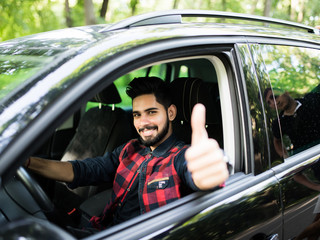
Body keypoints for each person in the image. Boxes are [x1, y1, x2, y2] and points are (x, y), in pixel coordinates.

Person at [26, 77, 229, 231]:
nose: (142, 123)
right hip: (107, 229)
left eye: (151, 112)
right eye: (137, 115)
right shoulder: (130, 149)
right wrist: (27, 163)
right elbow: (84, 170)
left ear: (171, 113)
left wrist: (206, 174)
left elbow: (196, 172)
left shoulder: (181, 156)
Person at [264, 87, 320, 157]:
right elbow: (276, 141)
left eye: (274, 97)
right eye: (269, 103)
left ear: (286, 92)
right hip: (308, 161)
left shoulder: (312, 99)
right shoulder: (279, 123)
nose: (274, 103)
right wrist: (285, 156)